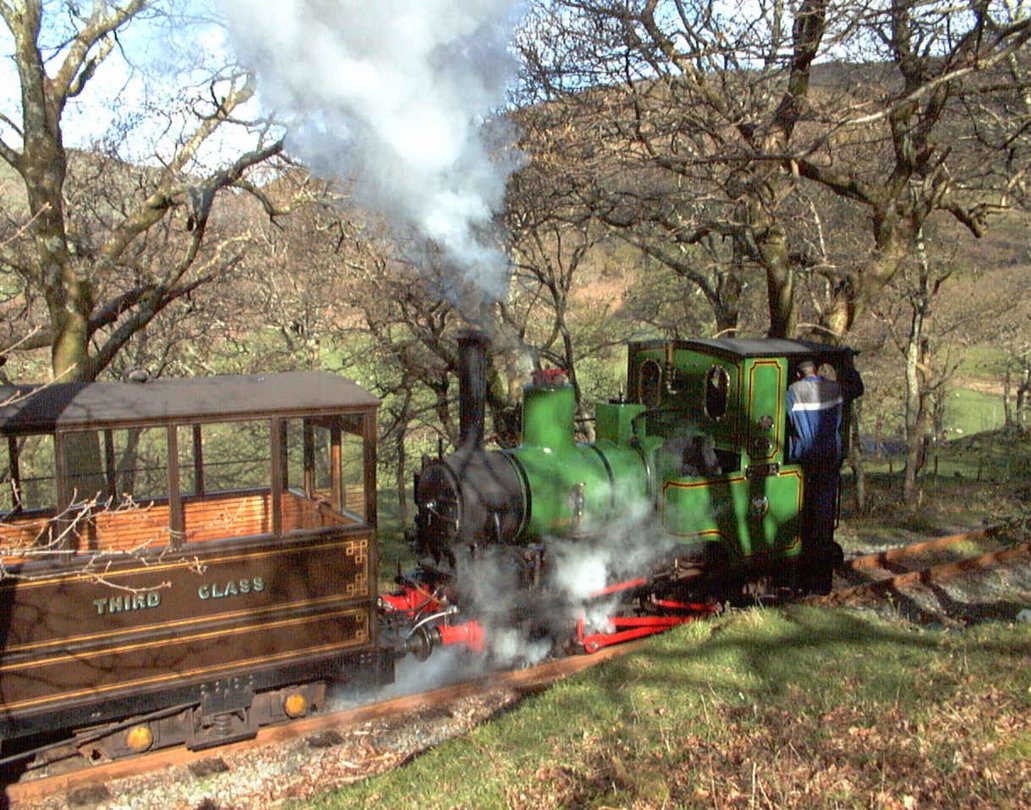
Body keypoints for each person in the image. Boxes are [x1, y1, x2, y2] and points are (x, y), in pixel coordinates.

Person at [787, 355, 864, 591]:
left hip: (804, 460)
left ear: (798, 373)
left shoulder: (791, 392)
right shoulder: (835, 389)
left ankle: (799, 577)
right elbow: (857, 388)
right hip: (830, 459)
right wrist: (849, 366)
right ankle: (819, 581)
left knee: (800, 518)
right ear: (817, 369)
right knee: (823, 519)